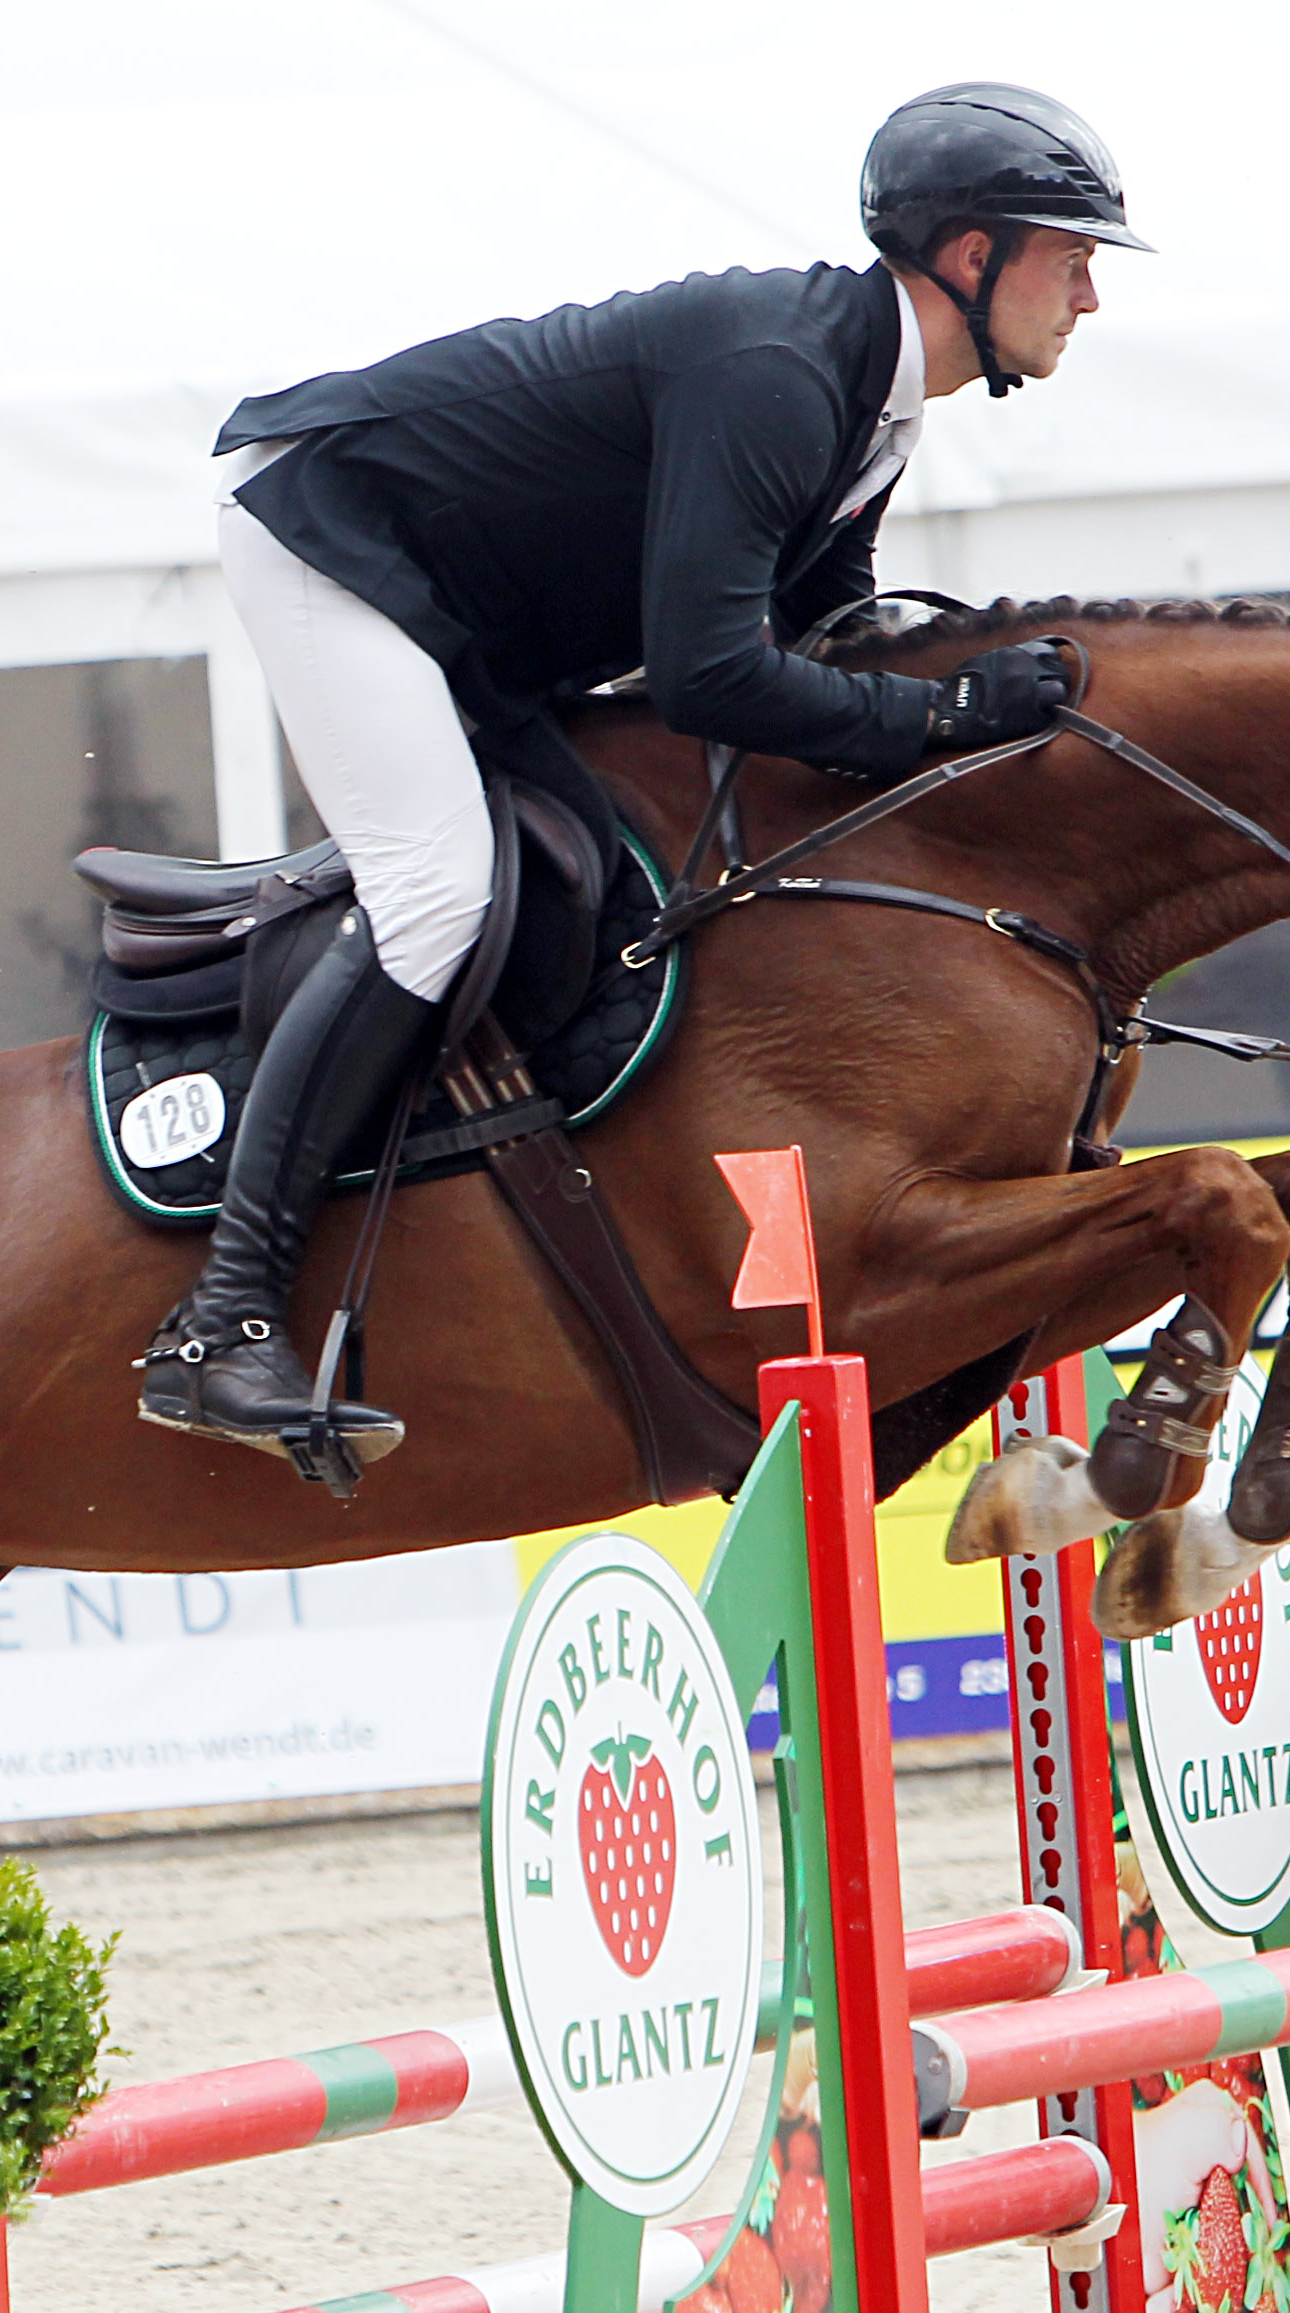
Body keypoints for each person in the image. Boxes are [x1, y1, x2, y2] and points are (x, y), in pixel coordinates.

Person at [140, 82, 1148, 1471]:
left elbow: (824, 630)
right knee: (438, 893)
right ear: (972, 257)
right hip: (332, 532)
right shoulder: (785, 379)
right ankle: (224, 1320)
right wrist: (946, 718)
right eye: (1073, 256)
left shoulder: (871, 400)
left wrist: (970, 702)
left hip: (477, 607)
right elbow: (710, 678)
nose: (1089, 296)